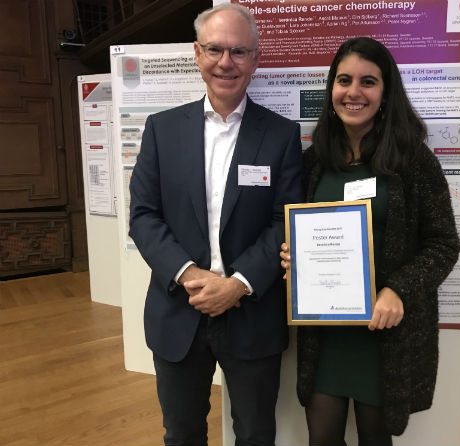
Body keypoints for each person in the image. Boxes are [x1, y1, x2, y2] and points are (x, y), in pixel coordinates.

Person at [129, 4, 303, 446]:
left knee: (256, 435)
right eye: (215, 49)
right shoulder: (162, 130)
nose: (226, 62)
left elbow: (285, 221)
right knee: (182, 434)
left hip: (252, 313)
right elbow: (144, 216)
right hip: (178, 310)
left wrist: (238, 284)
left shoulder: (281, 135)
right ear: (197, 53)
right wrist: (190, 274)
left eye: (239, 51)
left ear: (255, 59)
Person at [280, 37, 460, 446]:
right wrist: (295, 257)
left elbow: (444, 244)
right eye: (344, 80)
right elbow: (298, 230)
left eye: (368, 81)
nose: (354, 92)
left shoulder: (413, 161)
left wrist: (399, 290)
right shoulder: (314, 162)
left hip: (385, 336)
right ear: (331, 88)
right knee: (321, 440)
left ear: (386, 91)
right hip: (326, 336)